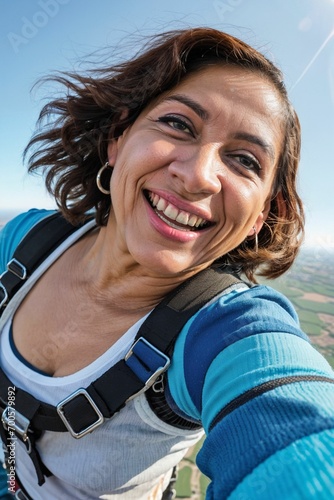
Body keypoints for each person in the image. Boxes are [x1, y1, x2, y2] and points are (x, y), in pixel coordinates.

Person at [0, 27, 333, 499]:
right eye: (179, 124)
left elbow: (300, 440)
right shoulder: (25, 240)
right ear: (118, 139)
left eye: (243, 160)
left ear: (260, 214)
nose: (198, 176)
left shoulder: (226, 331)